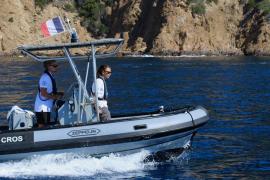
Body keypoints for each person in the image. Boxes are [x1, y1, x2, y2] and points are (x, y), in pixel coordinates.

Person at [34, 60, 64, 128]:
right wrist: (56, 97)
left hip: (46, 107)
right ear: (48, 66)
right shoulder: (45, 78)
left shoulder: (50, 76)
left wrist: (58, 94)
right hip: (42, 107)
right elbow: (43, 93)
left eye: (57, 66)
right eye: (54, 66)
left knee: (45, 125)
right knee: (43, 126)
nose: (57, 67)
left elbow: (49, 91)